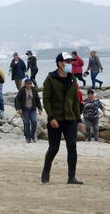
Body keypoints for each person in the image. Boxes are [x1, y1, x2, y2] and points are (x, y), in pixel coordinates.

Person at [41, 52, 83, 184]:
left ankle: (71, 177)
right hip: (56, 119)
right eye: (67, 62)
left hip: (70, 119)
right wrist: (51, 117)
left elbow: (75, 101)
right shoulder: (50, 79)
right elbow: (46, 100)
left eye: (71, 62)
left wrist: (79, 119)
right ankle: (46, 173)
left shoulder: (73, 79)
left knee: (72, 146)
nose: (70, 64)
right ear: (59, 63)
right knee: (54, 148)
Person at [16, 79, 43, 143]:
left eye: (30, 84)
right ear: (25, 84)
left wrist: (40, 108)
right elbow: (17, 100)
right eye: (27, 84)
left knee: (34, 122)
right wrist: (19, 108)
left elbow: (37, 99)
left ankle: (33, 135)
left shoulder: (34, 90)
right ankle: (28, 138)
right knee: (27, 124)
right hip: (25, 110)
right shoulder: (22, 90)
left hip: (32, 109)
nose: (29, 85)